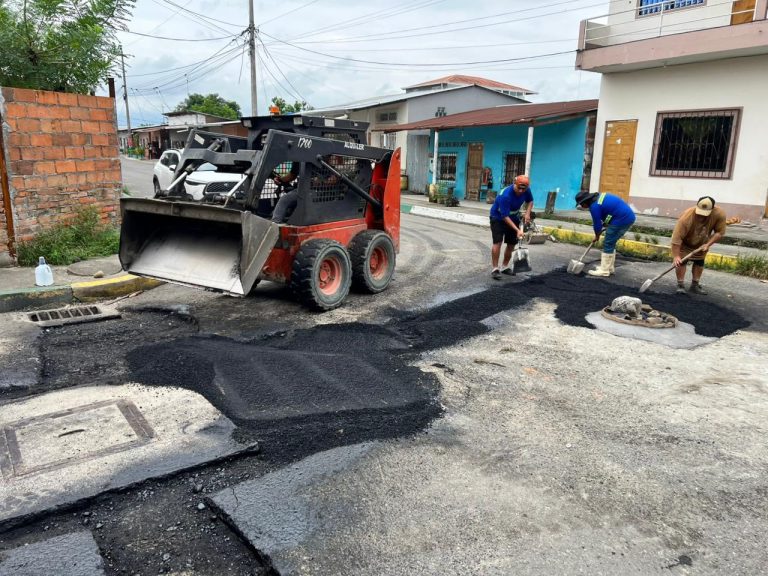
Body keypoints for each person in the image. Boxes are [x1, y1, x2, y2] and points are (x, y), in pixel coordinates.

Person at [670, 196, 726, 295]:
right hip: (685, 242)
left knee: (699, 261)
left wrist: (708, 244)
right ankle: (680, 285)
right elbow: (676, 239)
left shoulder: (719, 214)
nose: (701, 216)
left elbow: (720, 232)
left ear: (712, 209)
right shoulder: (686, 218)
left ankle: (695, 285)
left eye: (704, 214)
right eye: (699, 213)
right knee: (681, 261)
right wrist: (676, 256)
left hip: (702, 242)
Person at [575, 191, 636, 277]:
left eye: (581, 204)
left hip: (622, 220)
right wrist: (606, 223)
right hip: (626, 216)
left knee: (608, 243)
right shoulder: (599, 196)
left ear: (585, 202)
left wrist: (597, 236)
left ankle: (604, 270)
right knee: (611, 242)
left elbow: (597, 224)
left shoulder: (594, 206)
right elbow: (609, 211)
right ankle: (609, 268)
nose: (581, 206)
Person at [489, 174, 534, 279]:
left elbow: (530, 201)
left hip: (513, 216)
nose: (521, 191)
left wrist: (527, 213)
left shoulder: (526, 189)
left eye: (524, 189)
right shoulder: (505, 195)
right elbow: (505, 216)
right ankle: (495, 269)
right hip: (498, 217)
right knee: (498, 242)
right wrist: (518, 230)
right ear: (515, 184)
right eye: (519, 188)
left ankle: (504, 267)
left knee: (511, 243)